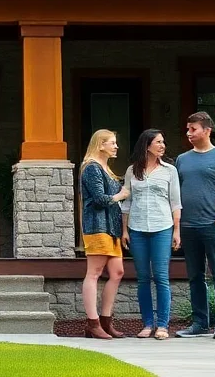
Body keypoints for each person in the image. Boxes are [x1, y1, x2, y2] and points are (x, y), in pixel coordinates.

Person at [173, 111, 215, 339]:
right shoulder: (182, 159)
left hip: (211, 225)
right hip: (188, 226)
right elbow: (177, 193)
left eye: (193, 129)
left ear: (207, 130)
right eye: (188, 129)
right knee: (195, 276)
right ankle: (200, 323)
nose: (189, 133)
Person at [122, 129, 181, 340]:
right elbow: (126, 203)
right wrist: (124, 230)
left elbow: (175, 202)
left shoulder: (170, 171)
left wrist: (177, 230)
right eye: (158, 142)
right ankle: (147, 323)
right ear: (147, 145)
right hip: (137, 229)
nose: (163, 146)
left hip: (162, 227)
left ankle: (163, 325)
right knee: (143, 278)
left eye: (163, 142)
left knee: (161, 277)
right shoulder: (132, 171)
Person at [79, 128, 130, 339]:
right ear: (100, 144)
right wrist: (121, 195)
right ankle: (93, 323)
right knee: (94, 272)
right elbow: (100, 200)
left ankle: (106, 321)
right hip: (97, 226)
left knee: (117, 272)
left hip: (112, 228)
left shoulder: (105, 168)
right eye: (112, 142)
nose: (116, 146)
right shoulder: (91, 168)